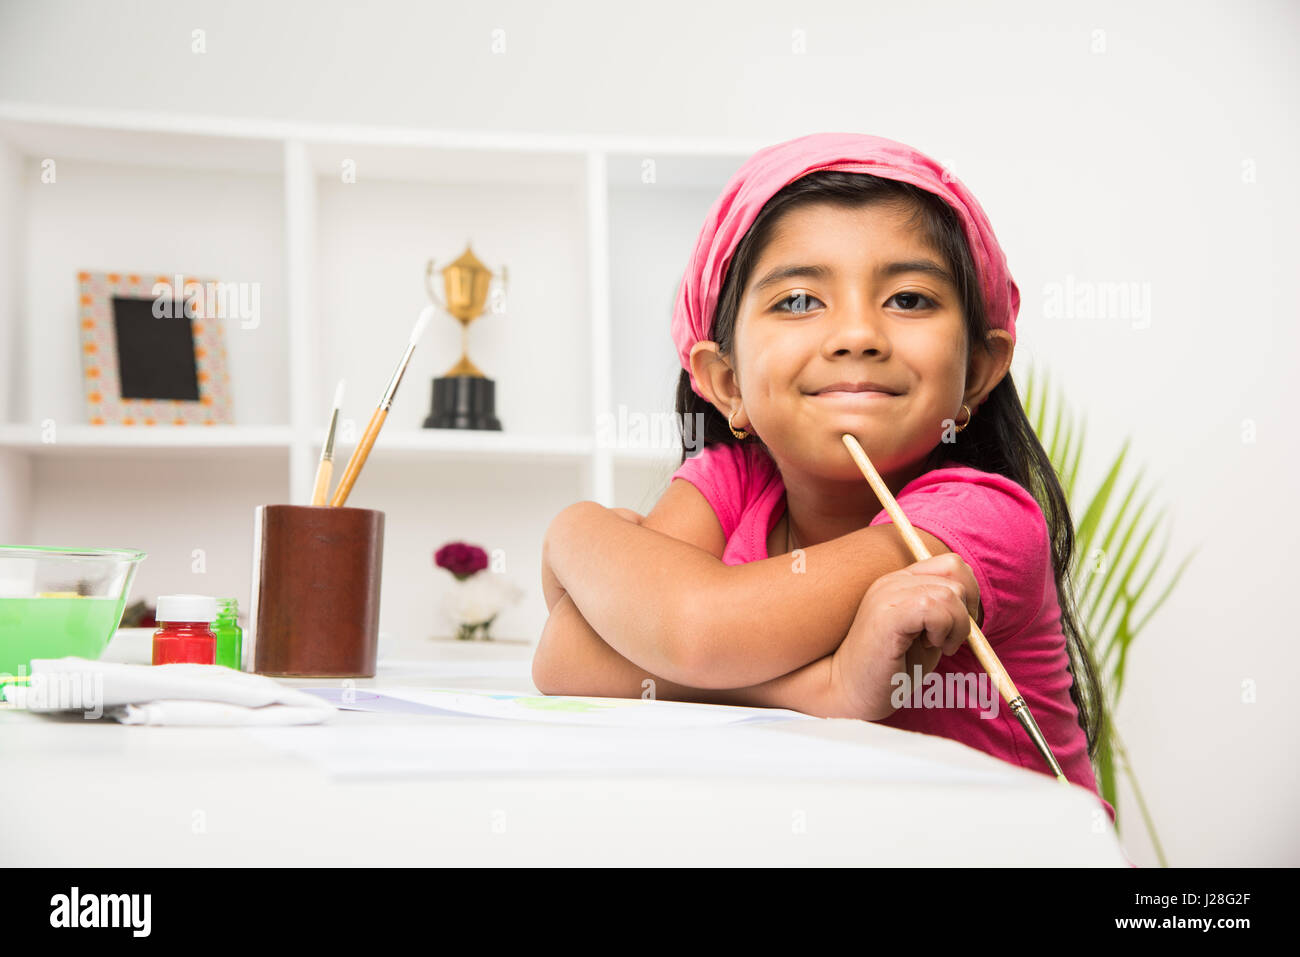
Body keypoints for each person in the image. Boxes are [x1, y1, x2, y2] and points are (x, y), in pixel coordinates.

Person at [536, 132, 1114, 824]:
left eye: (907, 299)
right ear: (726, 384)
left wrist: (577, 538)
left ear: (980, 372)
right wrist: (823, 689)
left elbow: (690, 629)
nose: (857, 334)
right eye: (801, 301)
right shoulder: (729, 482)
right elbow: (568, 662)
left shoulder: (980, 521)